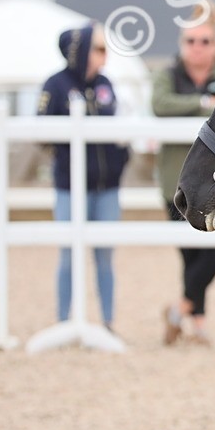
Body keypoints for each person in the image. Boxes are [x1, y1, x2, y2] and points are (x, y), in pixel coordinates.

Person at [153, 2, 215, 346]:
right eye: (191, 41)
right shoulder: (167, 74)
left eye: (204, 41)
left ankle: (179, 308)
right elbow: (160, 104)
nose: (197, 47)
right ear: (181, 44)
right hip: (176, 181)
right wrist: (204, 103)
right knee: (189, 254)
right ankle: (196, 322)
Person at [38, 21, 130, 332]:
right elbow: (41, 132)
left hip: (107, 187)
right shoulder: (55, 86)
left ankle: (108, 320)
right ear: (80, 52)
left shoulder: (106, 83)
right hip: (70, 186)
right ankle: (64, 320)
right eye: (99, 48)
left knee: (105, 257)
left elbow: (118, 122)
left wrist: (121, 157)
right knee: (68, 255)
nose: (105, 55)